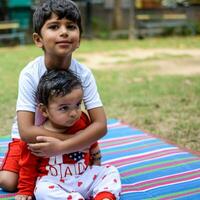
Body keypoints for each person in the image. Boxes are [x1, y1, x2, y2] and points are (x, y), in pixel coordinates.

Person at [0, 0, 107, 192]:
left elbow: (100, 125)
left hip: (71, 138)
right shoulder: (30, 74)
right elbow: (26, 131)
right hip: (34, 141)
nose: (64, 32)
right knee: (9, 183)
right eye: (54, 26)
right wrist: (74, 141)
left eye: (71, 26)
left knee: (76, 176)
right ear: (38, 39)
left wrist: (61, 147)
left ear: (79, 38)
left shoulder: (84, 74)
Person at [15, 69, 121, 200]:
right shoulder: (37, 137)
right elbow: (28, 165)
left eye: (77, 104)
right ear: (44, 110)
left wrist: (96, 160)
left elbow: (91, 141)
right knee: (41, 190)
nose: (74, 113)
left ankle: (103, 196)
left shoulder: (82, 120)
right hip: (55, 183)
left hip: (84, 176)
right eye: (64, 108)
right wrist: (25, 191)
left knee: (110, 171)